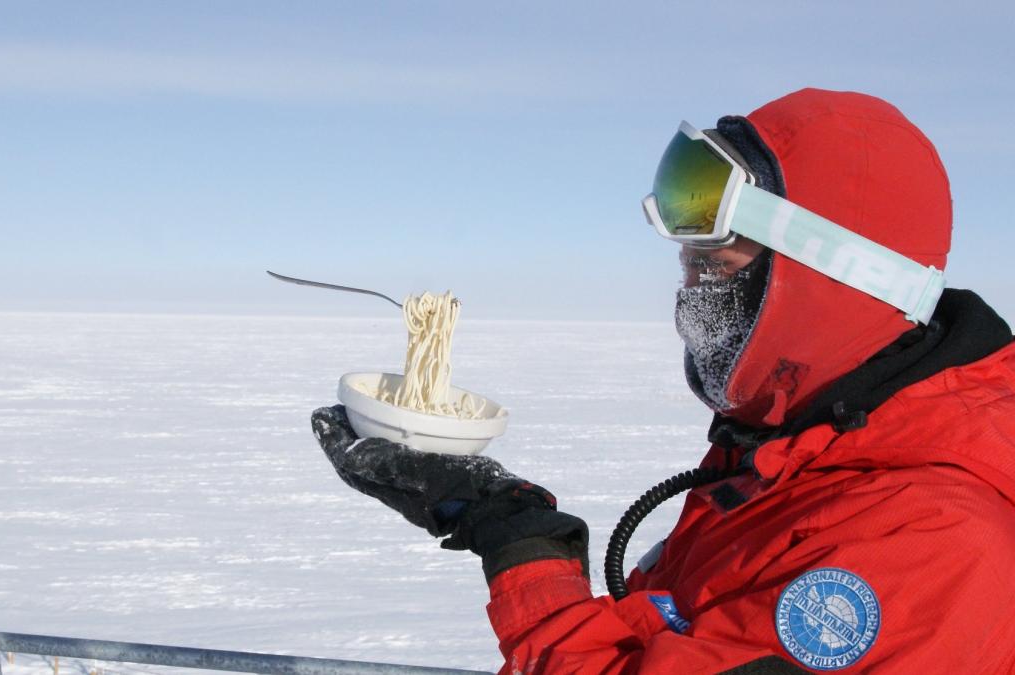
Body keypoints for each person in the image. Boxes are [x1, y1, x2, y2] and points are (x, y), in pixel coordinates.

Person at [312, 88, 1015, 673]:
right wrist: (505, 514)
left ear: (830, 273)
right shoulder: (799, 451)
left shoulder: (928, 548)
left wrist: (521, 549)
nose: (688, 276)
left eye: (712, 259)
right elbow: (673, 639)